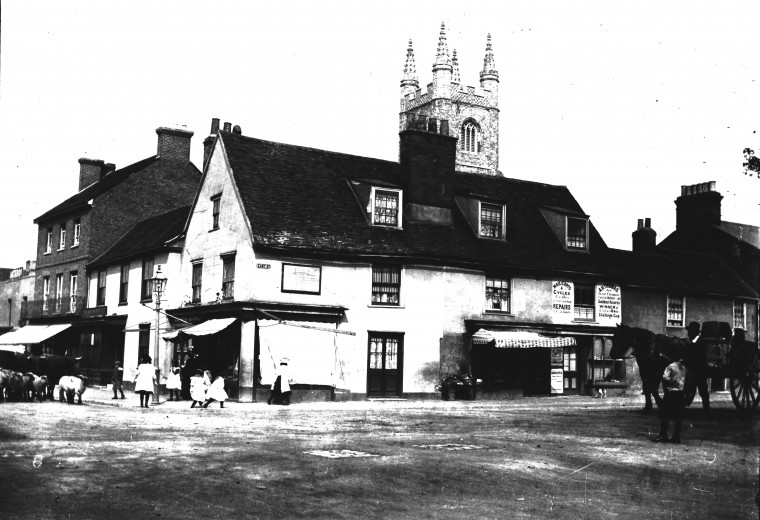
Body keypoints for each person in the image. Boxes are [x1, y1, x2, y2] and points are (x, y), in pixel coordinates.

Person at [652, 345, 687, 443]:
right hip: (680, 393)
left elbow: (665, 378)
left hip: (671, 393)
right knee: (678, 416)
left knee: (664, 415)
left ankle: (663, 435)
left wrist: (666, 388)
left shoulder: (670, 367)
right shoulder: (683, 367)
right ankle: (676, 436)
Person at [685, 321, 710, 410]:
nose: (688, 334)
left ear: (693, 332)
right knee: (696, 388)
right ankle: (687, 403)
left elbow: (698, 356)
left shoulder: (699, 342)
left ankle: (706, 408)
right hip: (695, 369)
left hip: (699, 369)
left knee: (702, 389)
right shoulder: (694, 342)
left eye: (689, 331)